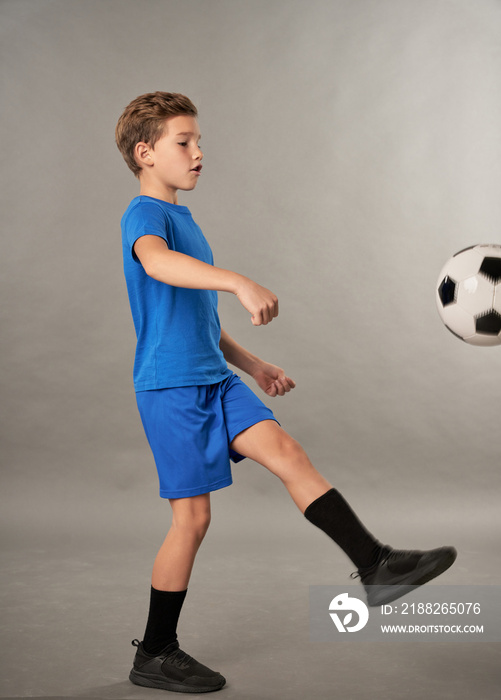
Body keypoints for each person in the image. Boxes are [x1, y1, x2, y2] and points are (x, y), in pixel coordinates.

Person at [115, 91, 456, 693]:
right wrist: (239, 281)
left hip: (216, 380)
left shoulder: (187, 221)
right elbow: (159, 266)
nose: (199, 153)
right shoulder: (145, 216)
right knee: (191, 521)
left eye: (199, 141)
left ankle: (376, 565)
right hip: (171, 387)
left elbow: (194, 313)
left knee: (287, 452)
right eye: (183, 142)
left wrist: (253, 364)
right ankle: (156, 651)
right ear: (146, 153)